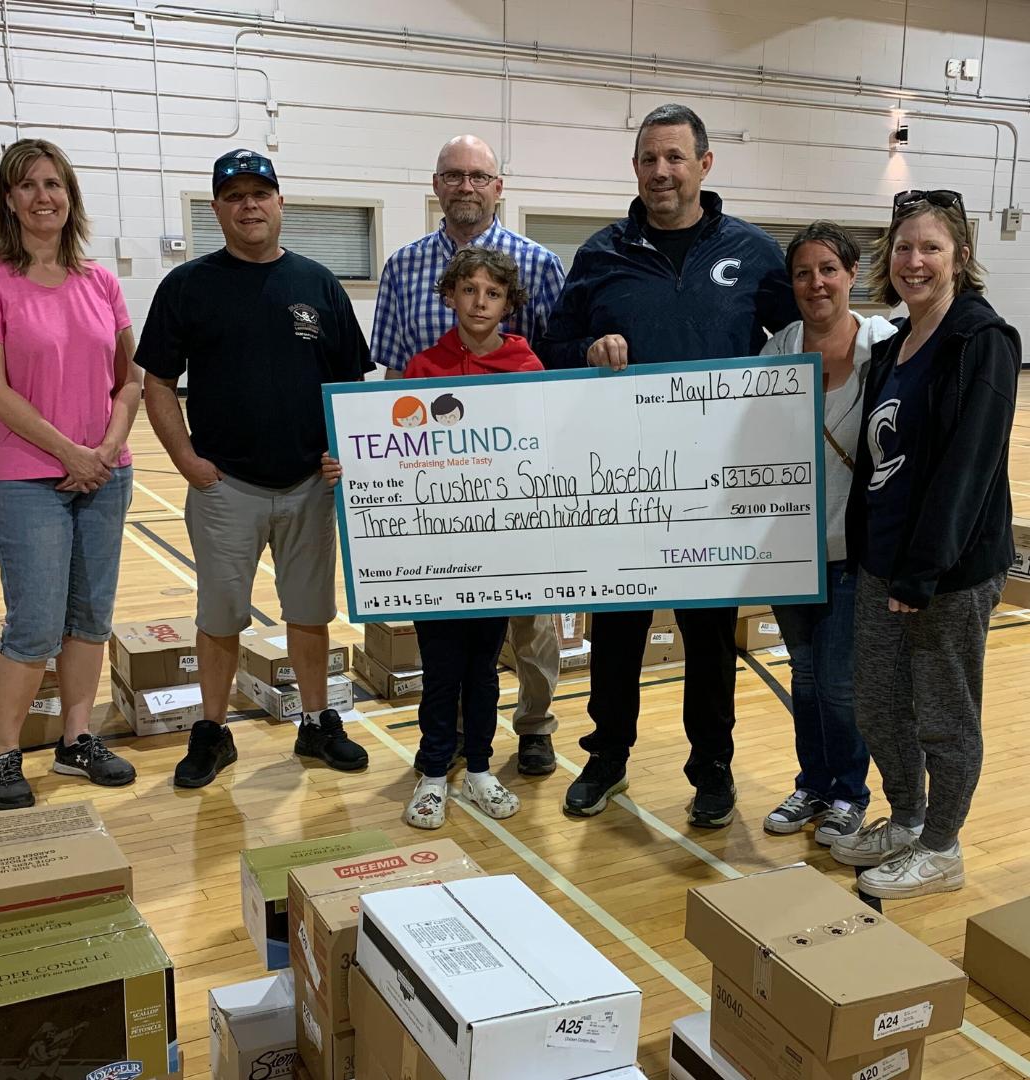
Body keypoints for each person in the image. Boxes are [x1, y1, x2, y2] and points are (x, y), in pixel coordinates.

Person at [540, 103, 798, 824]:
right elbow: (553, 350)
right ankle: (608, 757)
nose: (662, 171)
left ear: (705, 165)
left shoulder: (752, 252)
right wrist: (588, 351)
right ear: (635, 169)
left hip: (715, 491)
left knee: (710, 639)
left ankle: (712, 771)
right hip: (624, 484)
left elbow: (803, 342)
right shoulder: (601, 253)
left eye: (676, 157)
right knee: (616, 632)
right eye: (650, 158)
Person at [136, 148, 371, 788]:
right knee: (219, 617)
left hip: (307, 486)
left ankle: (318, 722)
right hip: (225, 486)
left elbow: (350, 382)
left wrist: (341, 450)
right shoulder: (187, 286)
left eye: (259, 194)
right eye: (234, 196)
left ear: (279, 202)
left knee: (310, 613)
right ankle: (212, 732)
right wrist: (185, 458)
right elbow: (156, 379)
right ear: (217, 209)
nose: (249, 206)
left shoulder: (319, 285)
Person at [831, 190, 1020, 897]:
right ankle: (906, 819)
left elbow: (968, 466)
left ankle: (942, 848)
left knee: (944, 714)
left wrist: (923, 573)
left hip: (944, 573)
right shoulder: (895, 342)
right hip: (884, 562)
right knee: (879, 705)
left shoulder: (982, 339)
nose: (915, 261)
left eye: (931, 248)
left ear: (961, 257)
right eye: (904, 247)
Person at [371, 134, 567, 776]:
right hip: (439, 495)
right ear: (437, 186)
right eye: (453, 176)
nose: (466, 186)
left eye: (479, 176)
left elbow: (553, 378)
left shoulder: (538, 263)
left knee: (531, 622)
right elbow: (393, 376)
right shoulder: (403, 267)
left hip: (518, 487)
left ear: (498, 186)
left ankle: (535, 726)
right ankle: (451, 736)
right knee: (458, 634)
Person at [0, 138, 141, 811]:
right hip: (28, 477)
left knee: (89, 619)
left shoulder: (101, 282)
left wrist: (108, 448)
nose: (44, 197)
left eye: (54, 184)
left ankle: (76, 740)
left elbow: (130, 380)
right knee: (34, 624)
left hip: (104, 474)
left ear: (71, 196)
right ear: (9, 199)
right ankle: (4, 752)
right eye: (28, 185)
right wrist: (70, 452)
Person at [759, 222, 897, 843]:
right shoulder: (778, 348)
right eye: (804, 273)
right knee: (806, 675)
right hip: (790, 551)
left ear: (852, 276)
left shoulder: (886, 344)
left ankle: (849, 791)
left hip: (854, 548)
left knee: (842, 684)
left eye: (828, 270)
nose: (817, 283)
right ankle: (812, 784)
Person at [402, 247, 543, 829]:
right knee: (440, 668)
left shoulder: (527, 366)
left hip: (497, 551)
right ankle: (434, 773)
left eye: (492, 293)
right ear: (450, 295)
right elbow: (395, 450)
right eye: (469, 290)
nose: (479, 302)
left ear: (509, 303)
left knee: (484, 667)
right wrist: (352, 468)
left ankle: (481, 767)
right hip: (434, 550)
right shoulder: (422, 367)